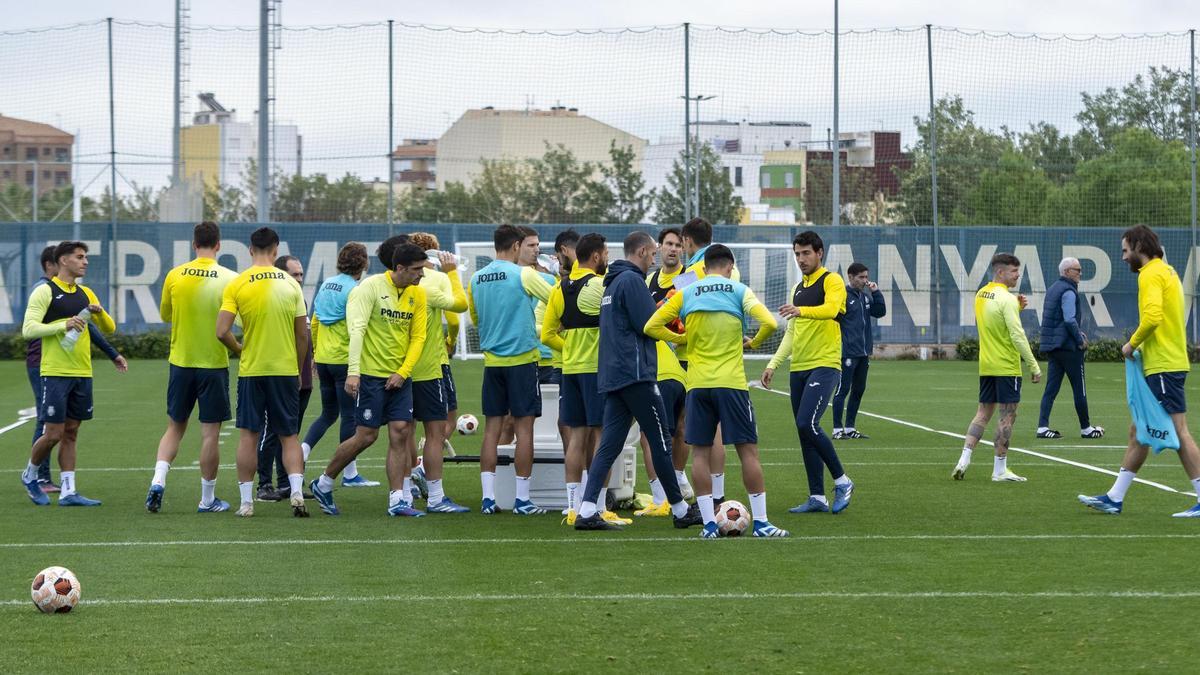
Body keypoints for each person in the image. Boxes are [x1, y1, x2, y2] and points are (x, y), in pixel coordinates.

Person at [646, 244, 788, 539]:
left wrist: (679, 336)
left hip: (697, 385)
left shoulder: (687, 293)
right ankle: (761, 522)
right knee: (747, 451)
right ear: (729, 266)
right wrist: (753, 343)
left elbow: (651, 325)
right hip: (732, 384)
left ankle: (710, 525)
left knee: (700, 454)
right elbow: (772, 322)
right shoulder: (738, 290)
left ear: (706, 266)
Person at [574, 231, 701, 531]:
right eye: (654, 251)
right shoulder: (632, 282)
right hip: (636, 375)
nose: (655, 257)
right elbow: (650, 325)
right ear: (643, 251)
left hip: (615, 374)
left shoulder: (614, 282)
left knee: (609, 445)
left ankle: (587, 509)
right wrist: (682, 336)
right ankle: (681, 511)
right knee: (660, 441)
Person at [1079, 224, 1200, 517]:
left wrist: (1131, 345)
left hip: (1164, 365)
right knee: (1139, 430)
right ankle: (1114, 497)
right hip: (1167, 362)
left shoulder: (1150, 274)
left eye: (1124, 250)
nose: (1122, 257)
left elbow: (1153, 317)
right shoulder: (1166, 270)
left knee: (1179, 432)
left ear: (1138, 246)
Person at [309, 240, 429, 517]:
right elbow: (358, 330)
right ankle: (324, 482)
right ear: (399, 268)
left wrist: (403, 371)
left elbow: (418, 336)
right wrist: (353, 372)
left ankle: (397, 500)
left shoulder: (418, 295)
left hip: (400, 378)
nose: (421, 275)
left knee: (401, 431)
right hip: (371, 377)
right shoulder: (370, 288)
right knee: (366, 436)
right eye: (416, 270)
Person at [215, 227, 311, 518]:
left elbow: (221, 332)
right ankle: (296, 492)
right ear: (276, 250)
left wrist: (240, 348)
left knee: (249, 436)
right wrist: (296, 368)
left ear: (249, 249)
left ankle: (246, 502)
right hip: (284, 369)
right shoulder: (291, 284)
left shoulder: (237, 283)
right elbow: (303, 336)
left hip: (252, 370)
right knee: (289, 435)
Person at [20, 240, 121, 506]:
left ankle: (68, 491)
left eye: (85, 257)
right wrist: (61, 325)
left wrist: (98, 314)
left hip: (82, 372)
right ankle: (30, 474)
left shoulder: (86, 293)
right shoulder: (45, 291)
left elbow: (109, 327)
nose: (85, 261)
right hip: (54, 371)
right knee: (53, 433)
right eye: (80, 257)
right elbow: (28, 329)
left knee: (72, 431)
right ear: (63, 260)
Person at [145, 221, 236, 513]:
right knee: (210, 434)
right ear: (219, 245)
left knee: (175, 427)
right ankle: (208, 499)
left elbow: (165, 314)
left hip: (181, 363)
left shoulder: (175, 275)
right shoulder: (230, 278)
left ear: (194, 244)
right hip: (213, 363)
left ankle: (158, 481)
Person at [762, 231, 854, 514]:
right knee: (805, 433)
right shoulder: (796, 289)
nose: (801, 259)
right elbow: (791, 331)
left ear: (819, 252)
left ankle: (843, 481)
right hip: (798, 369)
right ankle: (817, 497)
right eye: (797, 254)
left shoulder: (832, 280)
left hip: (825, 366)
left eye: (806, 253)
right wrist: (772, 364)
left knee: (807, 424)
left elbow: (830, 309)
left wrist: (802, 311)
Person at [542, 233, 629, 525]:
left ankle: (572, 507)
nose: (607, 259)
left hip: (570, 371)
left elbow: (547, 334)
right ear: (596, 256)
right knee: (603, 438)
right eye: (606, 253)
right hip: (596, 373)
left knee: (576, 438)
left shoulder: (559, 287)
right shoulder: (598, 285)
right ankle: (598, 507)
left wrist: (572, 350)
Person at [467, 224, 553, 514]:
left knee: (492, 430)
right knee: (524, 428)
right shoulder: (523, 274)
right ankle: (522, 500)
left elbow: (476, 320)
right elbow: (557, 298)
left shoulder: (476, 279)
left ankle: (488, 499)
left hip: (492, 363)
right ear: (516, 246)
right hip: (522, 361)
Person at [951, 253, 1042, 483]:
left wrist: (1016, 309)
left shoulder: (982, 293)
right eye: (1013, 271)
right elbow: (1017, 335)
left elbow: (992, 323)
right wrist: (1033, 365)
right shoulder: (1007, 299)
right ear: (1000, 272)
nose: (1017, 275)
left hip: (986, 365)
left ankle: (964, 459)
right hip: (1007, 367)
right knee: (1007, 416)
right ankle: (999, 469)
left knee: (982, 413)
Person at [301, 242, 378, 487]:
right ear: (364, 263)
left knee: (328, 413)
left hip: (323, 358)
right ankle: (349, 473)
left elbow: (314, 321)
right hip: (344, 360)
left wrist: (314, 354)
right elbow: (358, 327)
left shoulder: (326, 285)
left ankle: (302, 451)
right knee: (349, 416)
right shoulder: (356, 290)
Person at [404, 232, 471, 514]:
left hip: (400, 365)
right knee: (440, 425)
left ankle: (403, 491)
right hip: (432, 362)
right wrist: (452, 341)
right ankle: (433, 491)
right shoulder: (437, 278)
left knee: (404, 430)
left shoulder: (396, 280)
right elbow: (457, 314)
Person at [676, 217, 738, 503]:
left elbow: (680, 318)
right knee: (721, 430)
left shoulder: (690, 273)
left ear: (688, 240)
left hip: (696, 357)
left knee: (700, 433)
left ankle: (704, 497)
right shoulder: (729, 267)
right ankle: (719, 494)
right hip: (729, 359)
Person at [635, 226, 694, 514]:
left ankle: (679, 476)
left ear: (683, 248)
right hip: (656, 359)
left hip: (686, 357)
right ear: (659, 247)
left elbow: (690, 320)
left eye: (677, 245)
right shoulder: (648, 280)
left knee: (683, 425)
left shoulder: (688, 280)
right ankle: (665, 489)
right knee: (657, 429)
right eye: (668, 244)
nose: (672, 249)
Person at [255, 254, 317, 501]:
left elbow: (306, 334)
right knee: (271, 431)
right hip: (281, 376)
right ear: (281, 274)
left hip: (302, 378)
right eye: (295, 274)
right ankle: (263, 485)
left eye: (301, 274)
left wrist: (312, 358)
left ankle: (286, 483)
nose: (299, 279)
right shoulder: (275, 298)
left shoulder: (297, 297)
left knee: (291, 432)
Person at [1037, 257, 1104, 439]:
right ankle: (1086, 428)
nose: (1080, 273)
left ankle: (1042, 427)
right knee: (1079, 388)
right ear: (1067, 272)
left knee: (1051, 389)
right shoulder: (1069, 291)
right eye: (1077, 270)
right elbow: (1068, 319)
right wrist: (1079, 338)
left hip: (1054, 347)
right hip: (1068, 348)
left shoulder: (1053, 289)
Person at [831, 262, 886, 440]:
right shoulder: (843, 297)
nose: (865, 281)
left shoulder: (864, 297)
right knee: (842, 389)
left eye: (866, 277)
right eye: (861, 277)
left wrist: (876, 292)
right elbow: (833, 319)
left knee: (858, 390)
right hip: (847, 352)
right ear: (850, 277)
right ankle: (837, 430)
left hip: (863, 353)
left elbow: (880, 312)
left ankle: (849, 428)